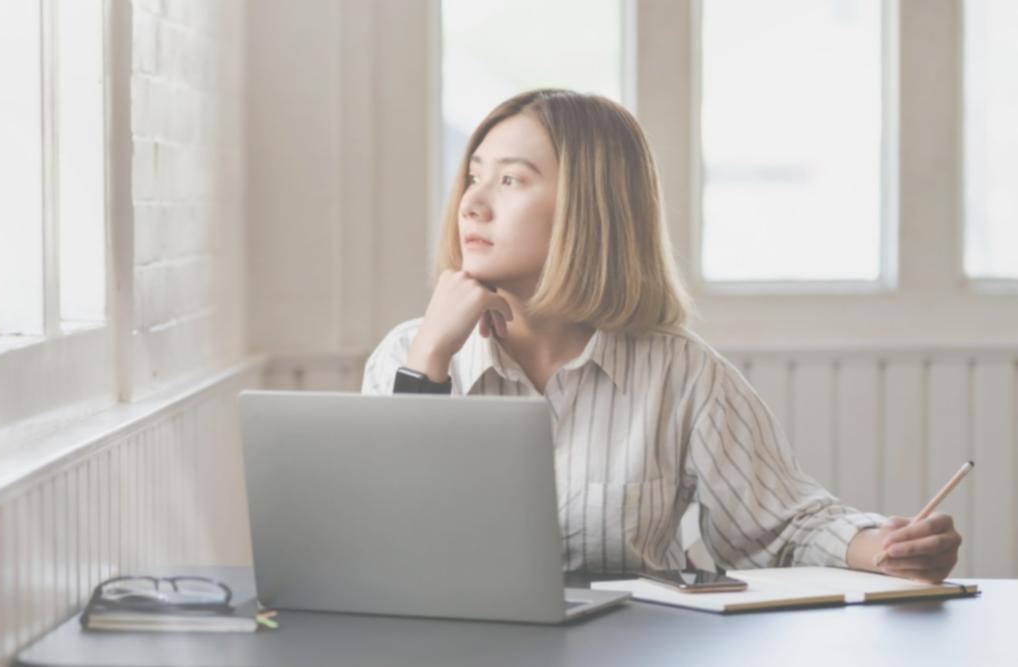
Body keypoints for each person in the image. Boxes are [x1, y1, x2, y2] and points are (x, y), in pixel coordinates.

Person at [360, 89, 961, 583]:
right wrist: (429, 363)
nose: (472, 205)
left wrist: (882, 546)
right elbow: (381, 541)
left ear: (588, 207)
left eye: (511, 181)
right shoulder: (408, 355)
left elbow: (782, 524)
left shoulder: (682, 373)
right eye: (473, 177)